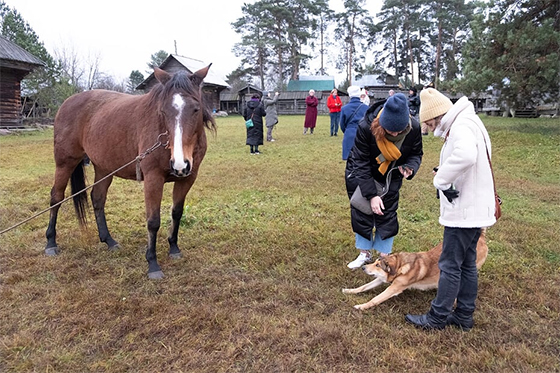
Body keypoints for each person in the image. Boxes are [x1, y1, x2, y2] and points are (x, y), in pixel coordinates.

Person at [405, 88, 497, 331]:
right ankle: (464, 315)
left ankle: (437, 317)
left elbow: (466, 155)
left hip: (465, 212)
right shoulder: (469, 121)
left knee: (449, 264)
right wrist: (449, 172)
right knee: (467, 263)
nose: (428, 128)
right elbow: (473, 161)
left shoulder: (461, 126)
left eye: (427, 122)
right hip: (474, 207)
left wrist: (442, 179)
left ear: (435, 116)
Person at [345, 93, 423, 269]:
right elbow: (360, 161)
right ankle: (364, 254)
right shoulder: (366, 127)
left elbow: (416, 153)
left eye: (399, 130)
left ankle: (384, 256)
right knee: (362, 210)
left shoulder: (414, 128)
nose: (394, 133)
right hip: (363, 173)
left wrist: (410, 166)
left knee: (387, 214)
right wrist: (371, 194)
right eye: (390, 130)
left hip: (391, 177)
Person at [340, 85, 368, 161]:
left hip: (349, 133)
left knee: (349, 159)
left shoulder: (344, 109)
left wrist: (347, 131)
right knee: (362, 158)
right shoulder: (366, 108)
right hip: (363, 134)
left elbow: (342, 125)